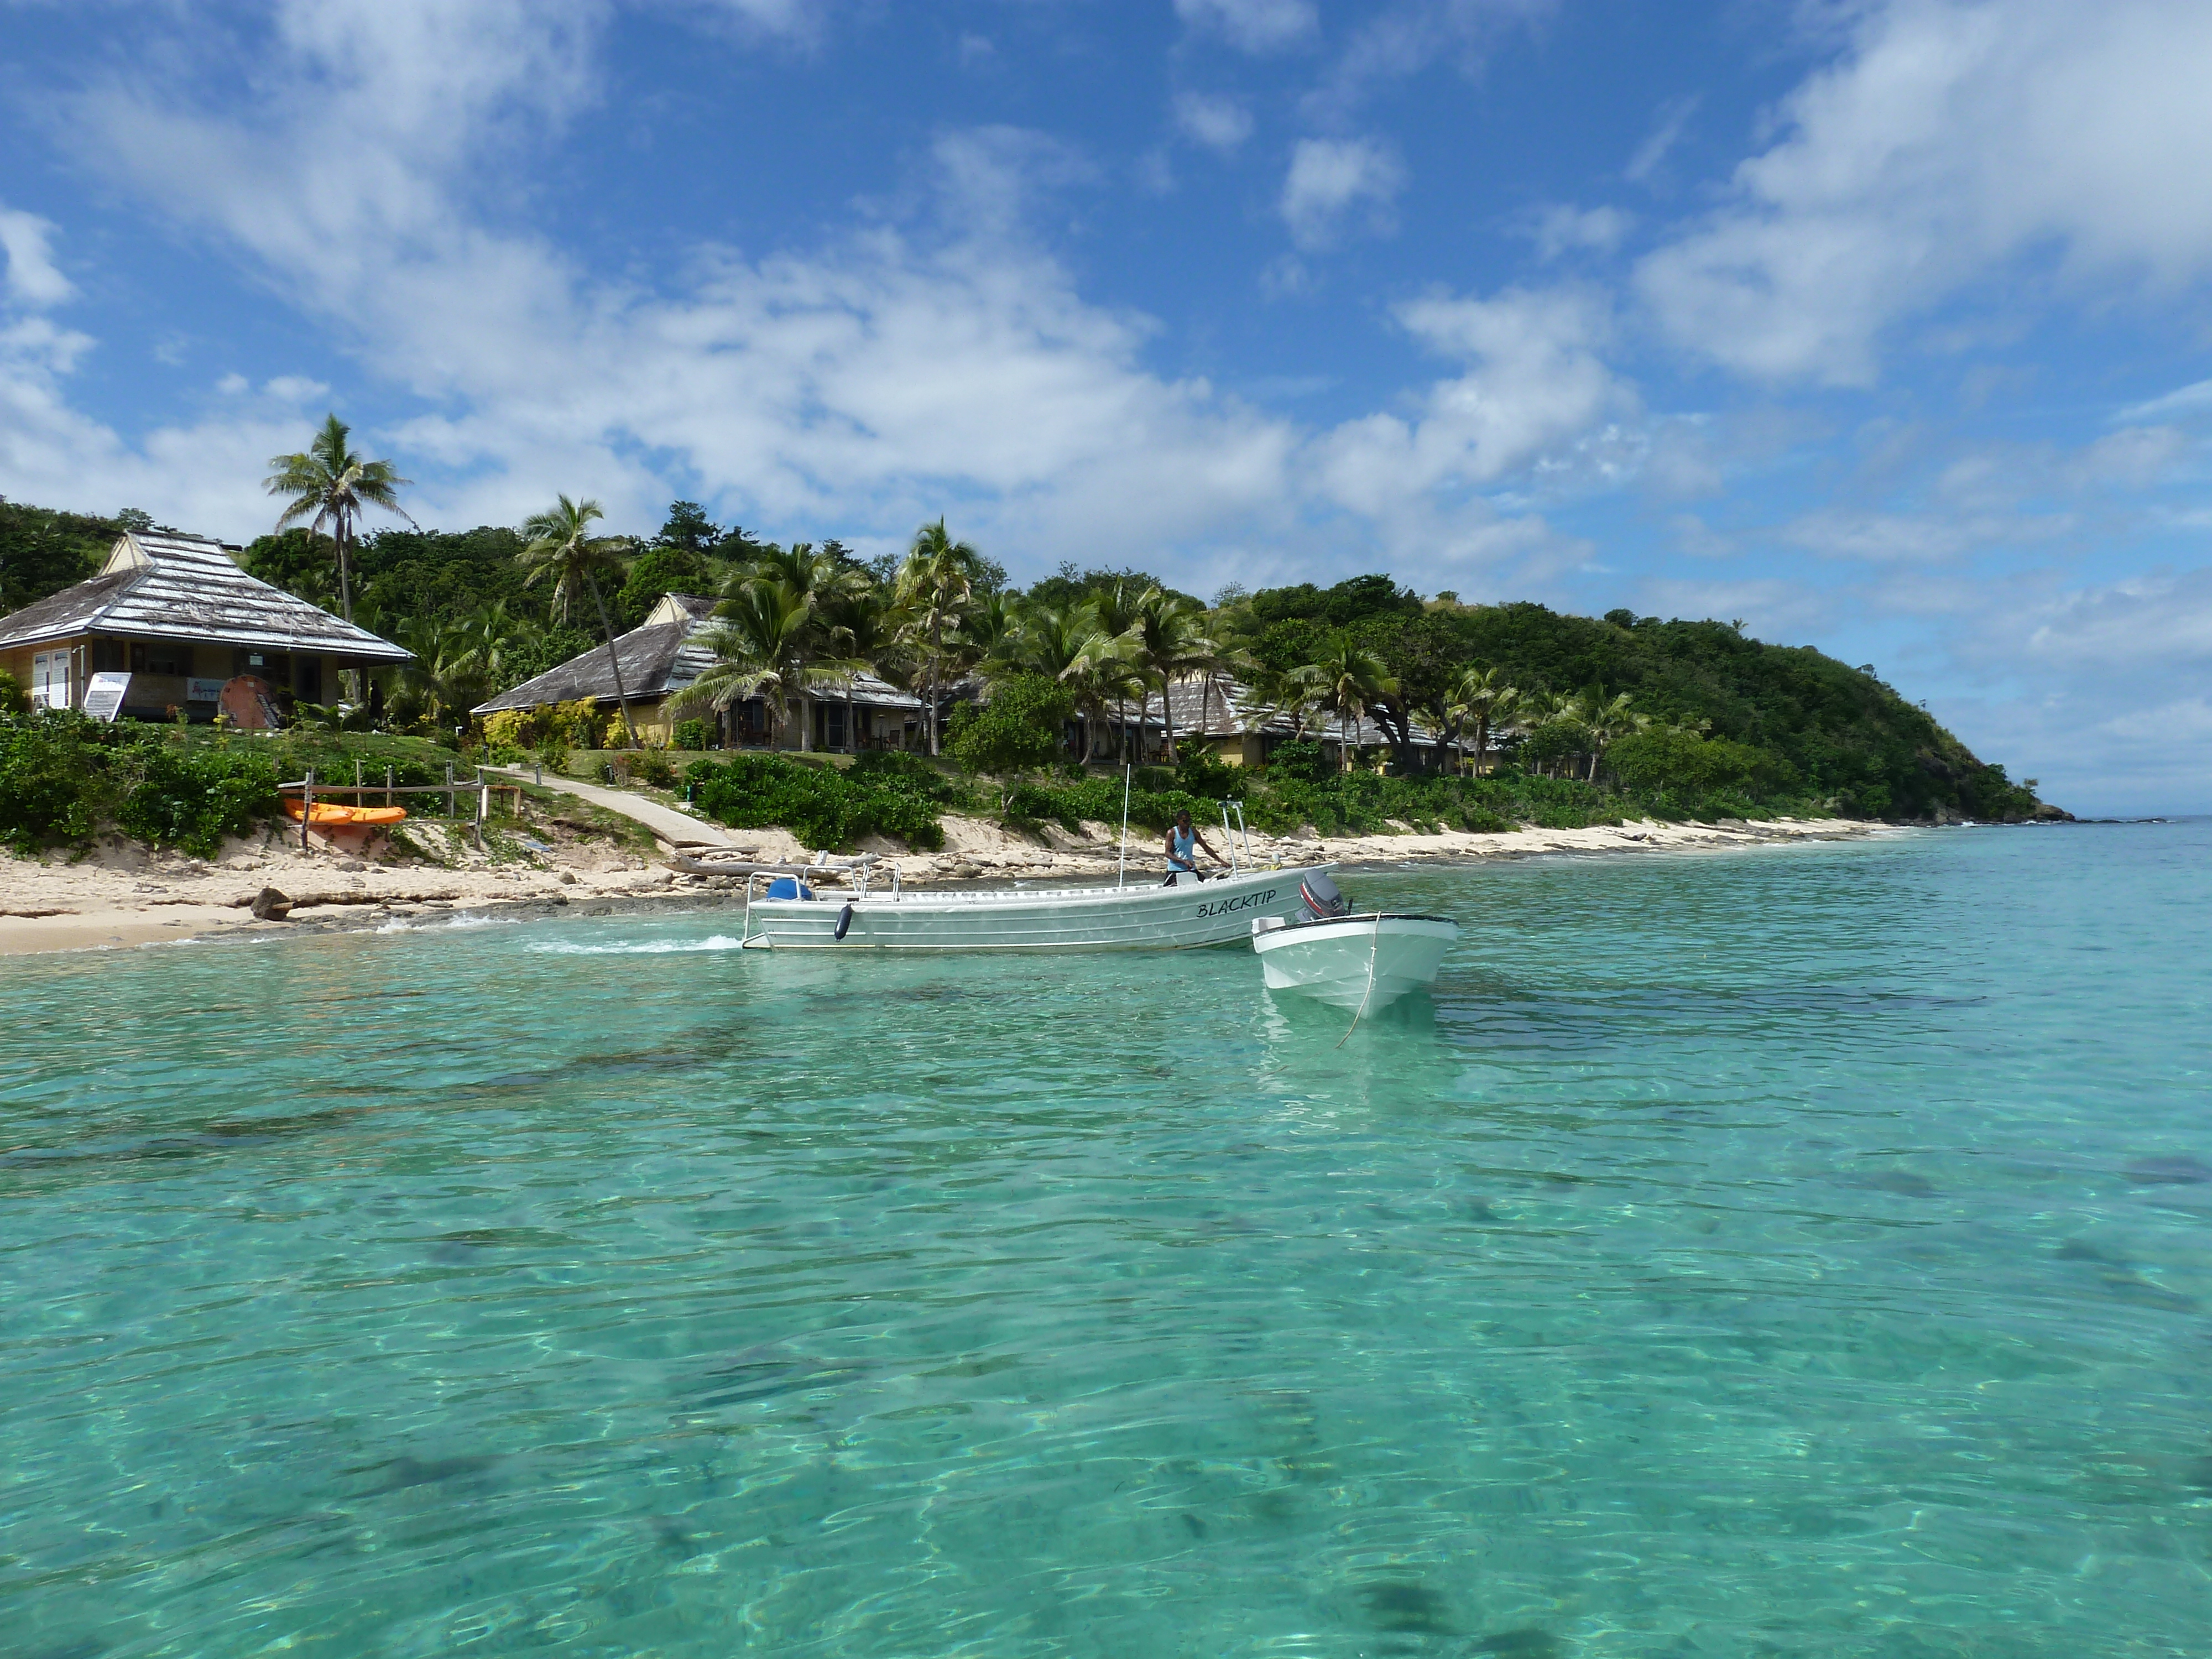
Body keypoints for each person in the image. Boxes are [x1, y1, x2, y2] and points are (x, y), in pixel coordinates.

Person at [1163, 808, 1225, 884]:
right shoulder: (1172, 833)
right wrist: (1183, 861)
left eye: (1189, 821)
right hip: (1175, 870)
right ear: (1178, 821)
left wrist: (1220, 861)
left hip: (1191, 869)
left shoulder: (1194, 832)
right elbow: (1167, 853)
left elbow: (1206, 847)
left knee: (1207, 883)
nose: (1187, 823)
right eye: (1185, 821)